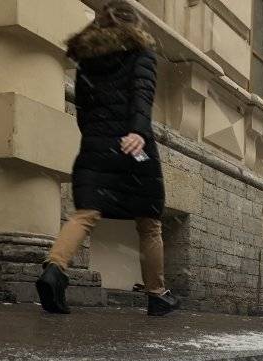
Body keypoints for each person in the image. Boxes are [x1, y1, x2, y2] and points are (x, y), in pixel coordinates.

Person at [36, 0, 179, 317]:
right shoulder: (140, 51)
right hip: (134, 144)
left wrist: (96, 137)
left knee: (86, 214)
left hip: (95, 143)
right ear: (134, 24)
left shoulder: (88, 59)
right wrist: (138, 131)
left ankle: (54, 269)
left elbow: (83, 106)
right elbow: (143, 94)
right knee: (149, 220)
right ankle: (157, 294)